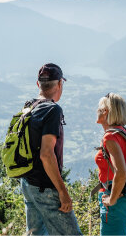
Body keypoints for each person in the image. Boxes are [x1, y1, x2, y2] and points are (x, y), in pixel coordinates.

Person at [20, 63, 82, 235]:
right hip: (45, 188)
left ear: (38, 84)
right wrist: (63, 192)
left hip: (27, 183)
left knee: (36, 233)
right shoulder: (53, 110)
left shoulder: (29, 106)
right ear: (60, 84)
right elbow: (46, 154)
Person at [95, 92, 126, 235]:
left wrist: (112, 199)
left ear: (105, 111)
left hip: (115, 201)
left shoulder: (111, 137)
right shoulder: (124, 133)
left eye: (99, 108)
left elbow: (121, 172)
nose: (97, 111)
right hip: (125, 198)